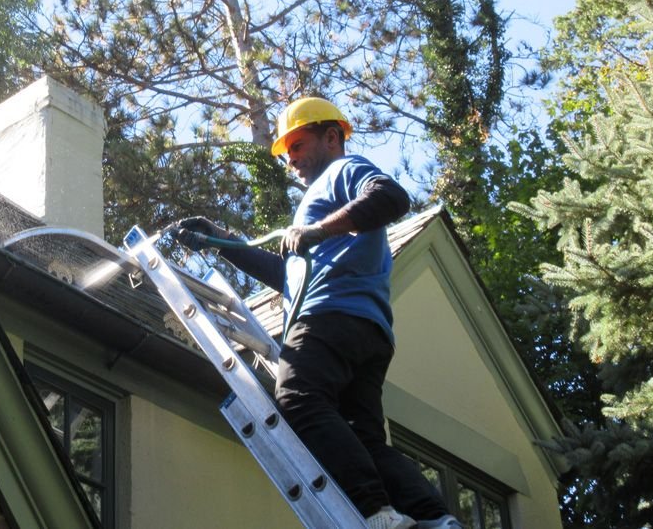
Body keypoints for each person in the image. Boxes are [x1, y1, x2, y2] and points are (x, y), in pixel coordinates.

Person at [174, 97, 461, 529]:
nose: (291, 159)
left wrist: (317, 230)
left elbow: (392, 197)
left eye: (298, 145)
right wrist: (220, 240)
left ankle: (375, 511)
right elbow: (288, 276)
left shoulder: (343, 172)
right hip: (365, 330)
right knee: (365, 438)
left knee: (297, 397)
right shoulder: (322, 208)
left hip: (330, 316)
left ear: (331, 137)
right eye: (286, 152)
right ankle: (435, 518)